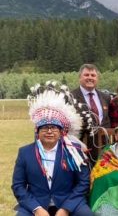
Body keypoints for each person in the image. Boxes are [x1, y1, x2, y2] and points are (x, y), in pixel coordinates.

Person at [12, 84, 92, 216]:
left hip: (68, 202)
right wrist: (36, 209)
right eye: (44, 128)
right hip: (36, 203)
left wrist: (66, 208)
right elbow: (18, 186)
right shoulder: (25, 153)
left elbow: (83, 183)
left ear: (61, 132)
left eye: (54, 128)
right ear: (37, 132)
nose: (49, 131)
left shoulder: (74, 151)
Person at [71, 64, 111, 163]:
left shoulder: (106, 97)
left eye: (93, 75)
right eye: (86, 75)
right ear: (80, 77)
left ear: (97, 78)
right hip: (80, 147)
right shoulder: (70, 97)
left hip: (103, 148)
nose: (90, 78)